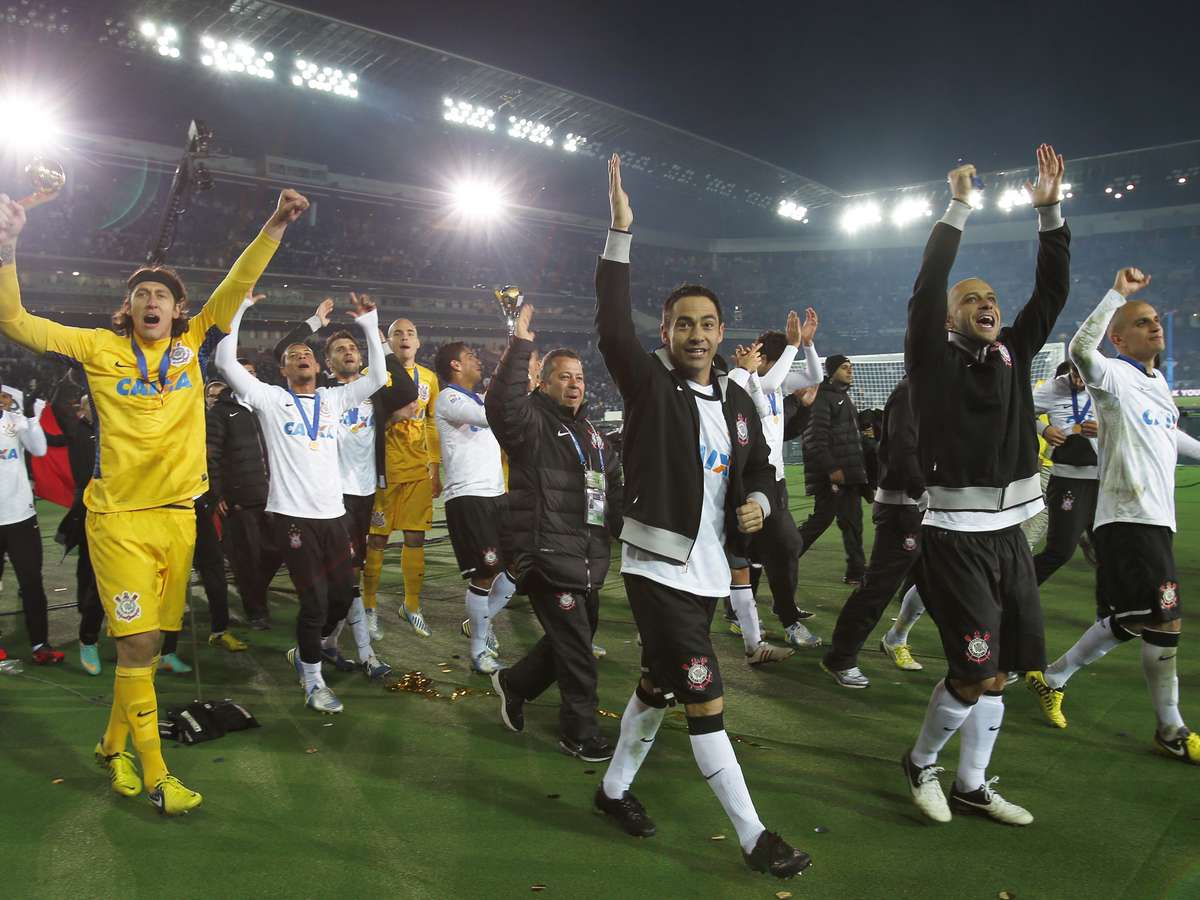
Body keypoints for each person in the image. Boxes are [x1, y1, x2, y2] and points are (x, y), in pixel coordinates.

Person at [0, 186, 308, 815]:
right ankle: (158, 774)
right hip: (118, 521)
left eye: (162, 295)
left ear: (177, 310)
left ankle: (111, 745)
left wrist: (275, 224)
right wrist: (6, 249)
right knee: (139, 645)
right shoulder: (99, 348)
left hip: (178, 518)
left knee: (145, 649)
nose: (151, 301)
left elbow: (238, 281)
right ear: (129, 307)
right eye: (141, 293)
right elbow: (14, 321)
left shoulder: (192, 347)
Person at [592, 155, 810, 879]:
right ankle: (754, 838)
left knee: (657, 686)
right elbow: (611, 328)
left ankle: (612, 790)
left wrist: (759, 502)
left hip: (712, 572)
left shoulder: (740, 400)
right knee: (705, 698)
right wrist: (620, 233)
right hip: (657, 567)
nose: (695, 334)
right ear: (665, 330)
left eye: (706, 324)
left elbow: (762, 473)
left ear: (721, 332)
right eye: (682, 323)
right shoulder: (649, 383)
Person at [901, 146, 1068, 827]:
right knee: (972, 673)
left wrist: (1049, 213)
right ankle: (920, 763)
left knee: (1001, 673)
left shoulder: (1013, 353)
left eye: (991, 298)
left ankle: (971, 784)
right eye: (970, 299)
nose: (986, 304)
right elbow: (926, 286)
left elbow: (1051, 294)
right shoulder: (931, 360)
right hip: (954, 539)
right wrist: (959, 206)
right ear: (948, 318)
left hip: (1009, 536)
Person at [1027, 270, 1200, 763]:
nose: (1155, 326)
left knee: (1133, 618)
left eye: (1155, 320)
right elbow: (1082, 349)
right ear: (1119, 339)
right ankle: (1170, 729)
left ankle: (1052, 676)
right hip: (1128, 516)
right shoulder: (1111, 375)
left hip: (1154, 517)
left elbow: (1169, 435)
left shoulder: (1156, 381)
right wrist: (1117, 295)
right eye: (1142, 322)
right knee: (1165, 621)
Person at [216, 291, 389, 713]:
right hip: (292, 517)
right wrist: (238, 310)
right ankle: (312, 681)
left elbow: (377, 378)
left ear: (316, 364)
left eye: (307, 353)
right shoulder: (271, 400)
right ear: (284, 369)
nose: (302, 357)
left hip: (334, 516)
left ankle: (308, 649)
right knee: (313, 602)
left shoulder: (332, 399)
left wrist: (370, 325)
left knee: (340, 597)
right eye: (293, 356)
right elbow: (224, 363)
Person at [487, 306, 621, 761]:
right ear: (543, 384)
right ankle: (578, 733)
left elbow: (611, 488)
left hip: (586, 557)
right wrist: (519, 345)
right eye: (564, 377)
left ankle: (514, 683)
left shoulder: (592, 435)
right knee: (578, 652)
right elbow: (501, 406)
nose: (574, 384)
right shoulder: (531, 423)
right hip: (546, 553)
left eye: (579, 377)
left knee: (573, 639)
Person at [275, 296, 418, 665]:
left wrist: (381, 344)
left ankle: (330, 643)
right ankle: (356, 650)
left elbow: (407, 391)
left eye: (353, 348)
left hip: (366, 491)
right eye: (340, 349)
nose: (349, 352)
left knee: (350, 574)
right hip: (331, 496)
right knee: (341, 576)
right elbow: (282, 352)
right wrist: (313, 324)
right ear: (327, 362)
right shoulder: (320, 391)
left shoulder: (374, 392)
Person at [726, 312, 824, 653]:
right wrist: (793, 345)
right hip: (747, 484)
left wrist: (807, 345)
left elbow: (814, 375)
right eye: (780, 359)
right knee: (759, 550)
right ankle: (767, 617)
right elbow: (766, 384)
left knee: (778, 548)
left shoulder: (776, 385)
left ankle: (777, 615)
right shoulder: (745, 383)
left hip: (774, 483)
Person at [431, 339, 516, 674]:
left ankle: (481, 621)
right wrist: (506, 375)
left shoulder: (479, 397)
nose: (477, 360)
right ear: (455, 365)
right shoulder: (448, 398)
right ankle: (479, 650)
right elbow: (488, 416)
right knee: (485, 574)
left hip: (495, 494)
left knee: (517, 568)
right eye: (470, 356)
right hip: (468, 497)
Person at [363, 317, 441, 637]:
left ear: (418, 342)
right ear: (389, 342)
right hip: (384, 471)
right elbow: (363, 420)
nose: (405, 337)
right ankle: (369, 607)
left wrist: (434, 466)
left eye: (411, 333)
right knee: (377, 539)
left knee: (415, 538)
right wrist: (392, 417)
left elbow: (432, 422)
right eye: (398, 333)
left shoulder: (429, 378)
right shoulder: (372, 375)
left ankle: (411, 606)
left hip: (418, 471)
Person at [206, 358, 279, 630]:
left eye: (252, 373)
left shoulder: (267, 406)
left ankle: (255, 591)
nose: (249, 377)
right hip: (239, 499)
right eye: (243, 373)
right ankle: (256, 610)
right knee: (247, 558)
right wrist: (217, 495)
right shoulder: (221, 412)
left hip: (273, 495)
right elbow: (210, 455)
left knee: (278, 550)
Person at [796, 354, 867, 586]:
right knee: (821, 520)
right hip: (832, 476)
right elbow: (814, 437)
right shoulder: (823, 398)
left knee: (853, 524)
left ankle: (856, 571)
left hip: (848, 476)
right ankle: (783, 556)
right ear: (831, 371)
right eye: (844, 367)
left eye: (850, 367)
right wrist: (832, 468)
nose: (850, 371)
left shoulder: (843, 397)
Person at [0, 385, 58, 662]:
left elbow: (40, 449)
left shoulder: (17, 421)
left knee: (32, 581)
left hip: (21, 516)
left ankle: (40, 645)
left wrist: (31, 418)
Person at [1030, 361, 1100, 587]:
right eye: (1074, 374)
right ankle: (1010, 592)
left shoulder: (1110, 385)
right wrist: (1044, 429)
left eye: (1084, 376)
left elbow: (1130, 422)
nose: (1078, 380)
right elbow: (1020, 409)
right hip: (1067, 480)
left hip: (1106, 481)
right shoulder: (1054, 387)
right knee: (1059, 551)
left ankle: (1110, 607)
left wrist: (1104, 428)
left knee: (1109, 553)